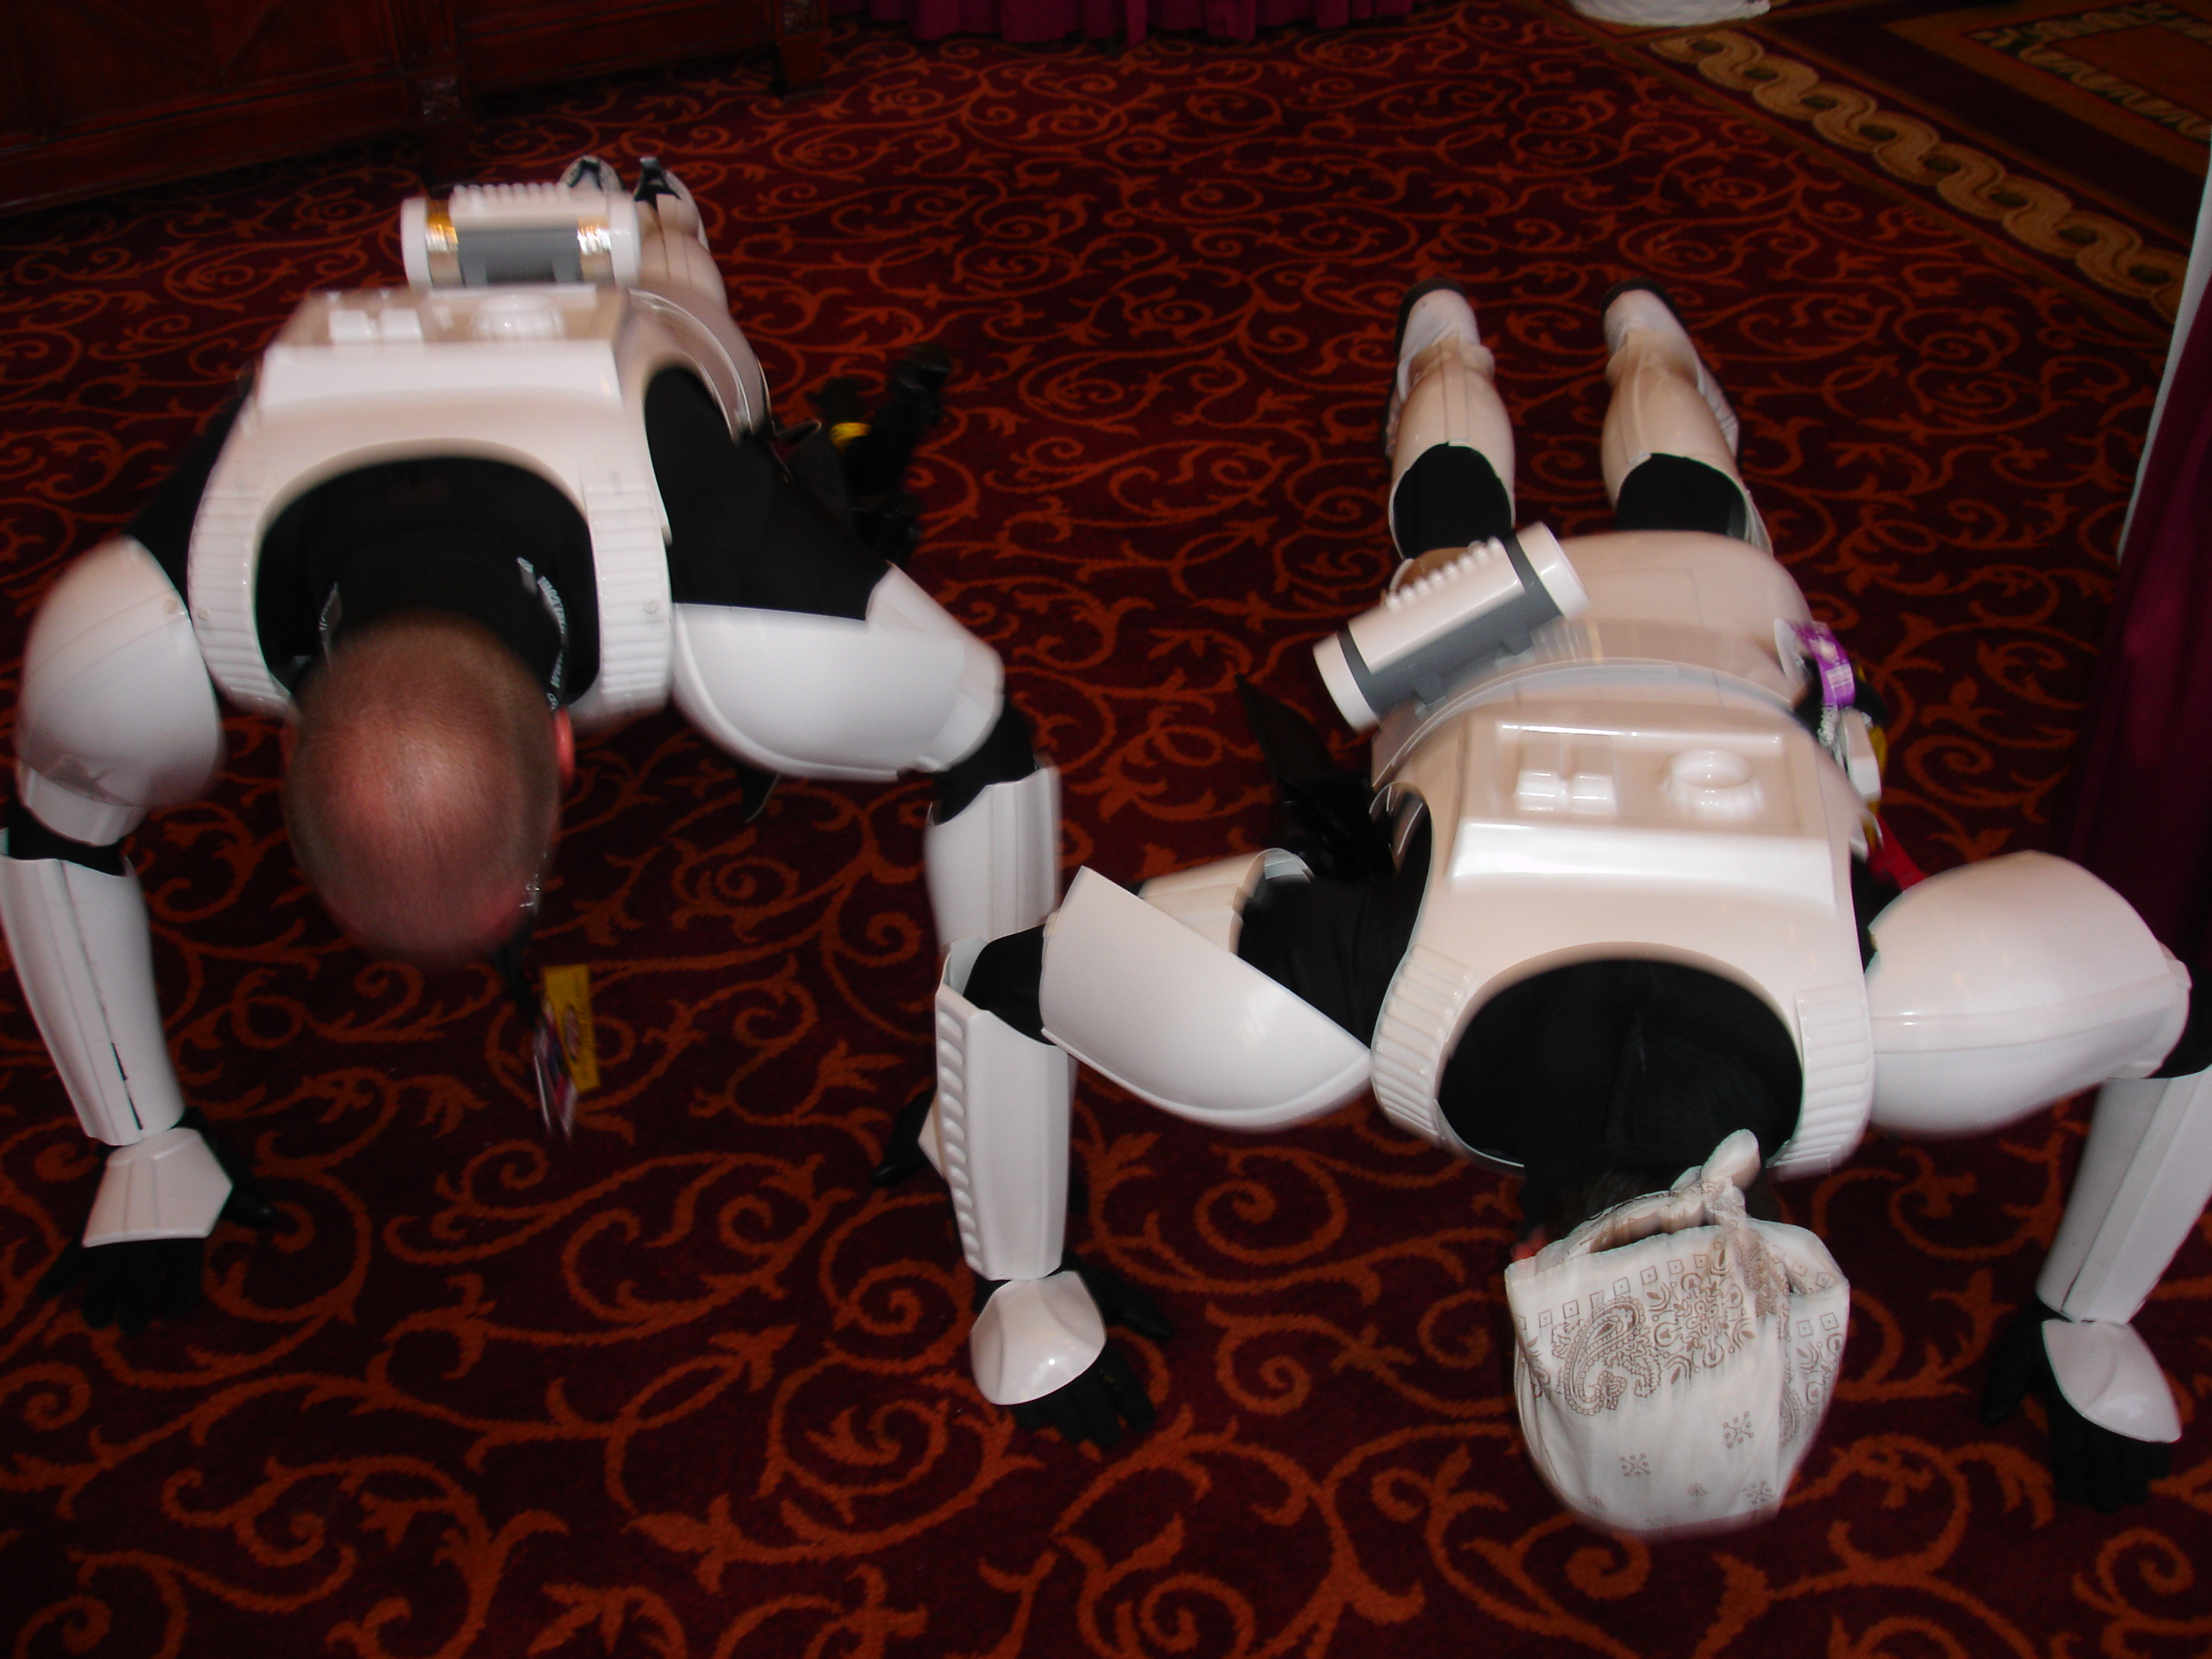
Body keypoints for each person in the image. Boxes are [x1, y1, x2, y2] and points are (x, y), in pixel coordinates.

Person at [894, 277, 2211, 1528]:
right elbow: (1005, 982)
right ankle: (1458, 345)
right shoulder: (1366, 1009)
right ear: (1525, 1270)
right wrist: (1025, 1288)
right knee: (1459, 543)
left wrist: (2091, 1318)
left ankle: (1611, 345)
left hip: (1709, 625)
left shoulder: (1917, 1027)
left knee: (1687, 516)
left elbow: (2182, 1024)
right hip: (1483, 657)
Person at [4, 158, 1061, 1335]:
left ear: (562, 751)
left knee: (681, 294)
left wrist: (1005, 1188)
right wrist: (142, 1145)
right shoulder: (157, 617)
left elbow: (991, 746)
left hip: (640, 340)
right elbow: (48, 826)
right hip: (376, 360)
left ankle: (649, 201)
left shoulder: (728, 573)